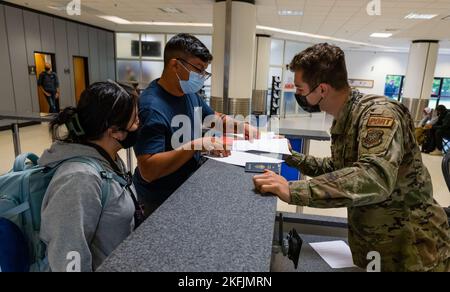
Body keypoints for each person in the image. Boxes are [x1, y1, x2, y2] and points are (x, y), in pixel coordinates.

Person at [253, 43, 450, 272]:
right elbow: (338, 168)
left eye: (299, 88)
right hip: (379, 244)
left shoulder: (378, 114)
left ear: (322, 90)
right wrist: (290, 156)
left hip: (413, 250)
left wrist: (294, 190)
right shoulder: (346, 115)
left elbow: (374, 177)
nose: (297, 94)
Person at [134, 33, 259, 216]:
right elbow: (148, 170)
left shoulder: (187, 94)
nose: (201, 76)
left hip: (187, 185)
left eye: (204, 71)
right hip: (160, 199)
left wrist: (242, 126)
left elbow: (212, 117)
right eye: (198, 69)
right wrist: (195, 145)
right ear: (174, 64)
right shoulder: (151, 107)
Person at [39, 81, 142, 272]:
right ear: (115, 132)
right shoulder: (79, 179)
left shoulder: (107, 157)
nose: (139, 125)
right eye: (135, 121)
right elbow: (67, 259)